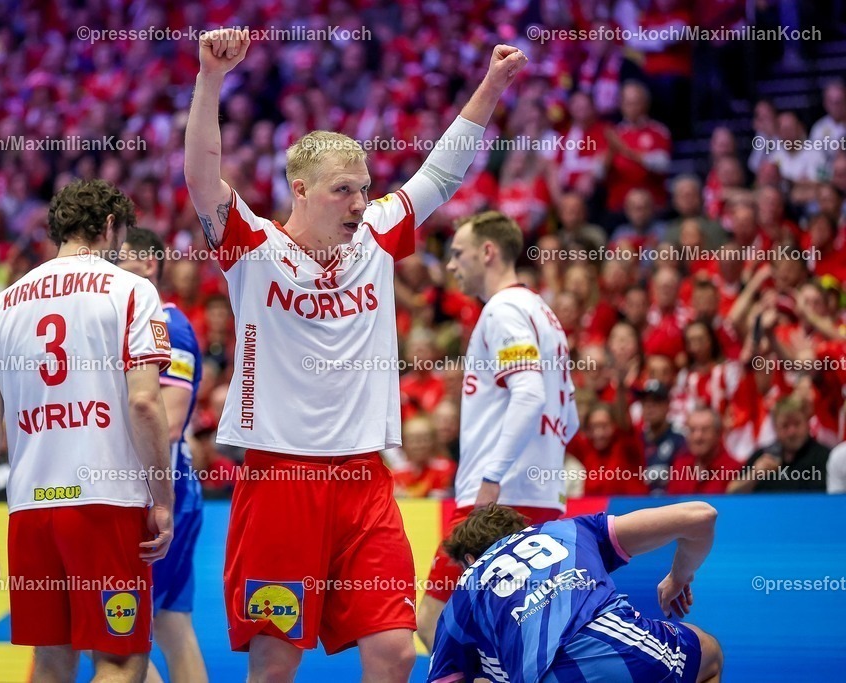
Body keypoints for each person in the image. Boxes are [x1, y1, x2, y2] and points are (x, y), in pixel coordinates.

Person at [184, 26, 529, 682]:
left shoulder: (375, 235)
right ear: (301, 190)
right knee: (275, 664)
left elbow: (442, 172)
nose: (359, 202)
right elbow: (202, 177)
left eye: (364, 188)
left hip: (364, 478)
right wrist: (210, 78)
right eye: (343, 189)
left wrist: (491, 85)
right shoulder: (252, 247)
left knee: (396, 649)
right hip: (280, 479)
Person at [0, 179, 175, 683]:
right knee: (119, 662)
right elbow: (145, 403)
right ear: (109, 227)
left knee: (52, 664)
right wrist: (163, 500)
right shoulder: (131, 290)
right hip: (107, 504)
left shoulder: (1, 306)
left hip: (31, 509)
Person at [418, 211, 579, 649]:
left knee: (434, 622)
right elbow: (570, 417)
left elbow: (529, 394)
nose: (450, 265)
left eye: (458, 253)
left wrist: (492, 476)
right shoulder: (544, 314)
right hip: (541, 499)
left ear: (487, 252)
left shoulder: (503, 310)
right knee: (515, 638)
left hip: (495, 501)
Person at [428, 502, 724, 683]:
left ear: (469, 559)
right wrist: (678, 577)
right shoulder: (565, 531)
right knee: (708, 652)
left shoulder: (463, 593)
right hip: (623, 653)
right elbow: (701, 516)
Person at [117, 227, 207, 683]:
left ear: (149, 264)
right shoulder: (132, 327)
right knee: (172, 627)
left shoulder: (168, 324)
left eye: (120, 260)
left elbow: (168, 422)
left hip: (162, 495)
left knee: (118, 636)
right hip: (165, 493)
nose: (111, 270)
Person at [728, 397, 830, 494]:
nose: (792, 432)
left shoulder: (824, 457)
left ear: (807, 423)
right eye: (785, 425)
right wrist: (754, 475)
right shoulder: (763, 456)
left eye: (797, 424)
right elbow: (731, 492)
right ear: (775, 428)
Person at [667, 409, 741, 496]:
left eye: (705, 430)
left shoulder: (734, 469)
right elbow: (671, 501)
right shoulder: (680, 465)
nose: (697, 437)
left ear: (718, 433)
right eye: (692, 430)